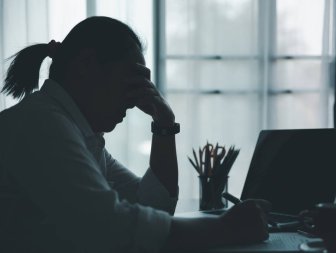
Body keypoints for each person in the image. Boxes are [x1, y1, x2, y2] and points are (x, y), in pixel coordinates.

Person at [0, 16, 268, 253]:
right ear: (86, 65)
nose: (139, 93)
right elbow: (109, 229)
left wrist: (165, 123)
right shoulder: (40, 124)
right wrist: (224, 228)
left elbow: (154, 208)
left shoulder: (82, 137)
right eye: (133, 78)